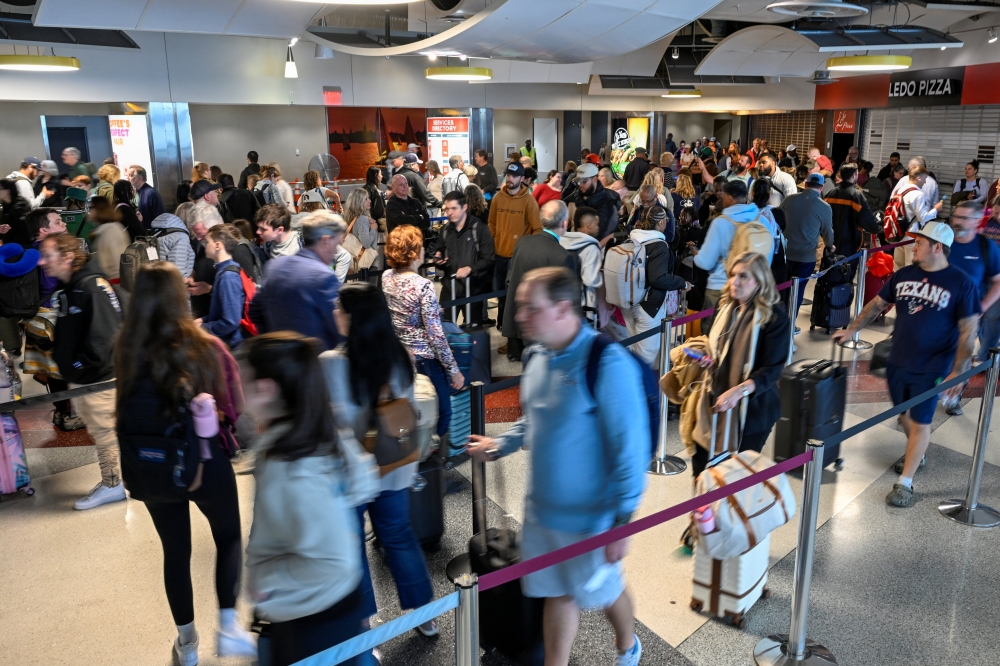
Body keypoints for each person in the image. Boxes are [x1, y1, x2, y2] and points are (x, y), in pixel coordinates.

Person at [467, 266, 647, 666]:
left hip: (591, 520)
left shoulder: (606, 362)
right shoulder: (539, 357)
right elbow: (534, 419)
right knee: (558, 592)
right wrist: (500, 444)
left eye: (531, 307)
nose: (519, 316)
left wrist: (623, 521)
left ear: (563, 308)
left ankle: (627, 644)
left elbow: (630, 451)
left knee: (603, 591)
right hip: (543, 513)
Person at [114, 262, 254, 666]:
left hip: (151, 463)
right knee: (227, 537)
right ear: (181, 296)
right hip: (203, 459)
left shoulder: (126, 346)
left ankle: (187, 645)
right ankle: (228, 627)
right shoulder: (205, 345)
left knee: (175, 551)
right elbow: (234, 405)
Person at [241, 332, 368, 666]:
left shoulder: (290, 466)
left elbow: (332, 561)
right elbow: (364, 480)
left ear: (265, 387)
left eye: (244, 376)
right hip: (330, 606)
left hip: (312, 619)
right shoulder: (316, 427)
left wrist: (264, 580)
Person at [320, 283, 438, 638]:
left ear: (353, 316)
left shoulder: (331, 363)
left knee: (352, 545)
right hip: (395, 464)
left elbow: (335, 422)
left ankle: (363, 625)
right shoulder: (400, 356)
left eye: (338, 307)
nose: (333, 312)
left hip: (352, 472)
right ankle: (426, 616)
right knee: (399, 536)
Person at [834, 222, 979, 507]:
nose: (913, 247)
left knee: (921, 419)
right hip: (898, 360)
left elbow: (968, 331)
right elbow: (877, 304)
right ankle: (918, 451)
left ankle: (905, 483)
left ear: (937, 248)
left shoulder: (961, 283)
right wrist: (852, 329)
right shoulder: (903, 274)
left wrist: (958, 372)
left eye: (919, 243)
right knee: (904, 414)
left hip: (933, 366)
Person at [676, 251, 789, 477]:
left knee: (735, 477)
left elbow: (771, 369)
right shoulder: (726, 304)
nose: (734, 282)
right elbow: (717, 344)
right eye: (732, 275)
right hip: (712, 399)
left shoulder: (774, 317)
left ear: (759, 281)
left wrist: (739, 390)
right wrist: (707, 357)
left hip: (752, 411)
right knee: (702, 472)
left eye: (743, 277)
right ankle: (703, 510)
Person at [37, 232, 124, 510]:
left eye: (48, 256)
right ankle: (113, 480)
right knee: (100, 429)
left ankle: (113, 484)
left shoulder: (90, 286)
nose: (42, 262)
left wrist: (77, 365)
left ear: (68, 257)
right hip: (88, 378)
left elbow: (105, 337)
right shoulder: (73, 287)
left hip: (99, 378)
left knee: (104, 430)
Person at [382, 225, 463, 440]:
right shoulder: (423, 286)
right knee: (441, 412)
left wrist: (433, 309)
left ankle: (408, 451)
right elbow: (435, 335)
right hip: (425, 359)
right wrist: (453, 369)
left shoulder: (387, 277)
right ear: (414, 251)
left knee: (407, 410)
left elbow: (401, 310)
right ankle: (430, 457)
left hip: (399, 356)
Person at [249, 211, 345, 350]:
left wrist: (273, 343)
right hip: (314, 363)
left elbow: (255, 311)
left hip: (277, 361)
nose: (336, 251)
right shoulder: (324, 277)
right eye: (336, 244)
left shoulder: (274, 266)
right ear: (325, 241)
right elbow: (338, 328)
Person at [502, 201, 572, 362]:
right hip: (542, 330)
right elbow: (565, 302)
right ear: (564, 223)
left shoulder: (523, 242)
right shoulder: (563, 256)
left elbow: (509, 279)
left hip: (517, 319)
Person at [691, 179, 762, 332]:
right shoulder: (760, 219)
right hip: (753, 287)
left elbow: (706, 262)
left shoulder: (720, 223)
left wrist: (697, 255)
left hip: (721, 287)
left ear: (729, 197)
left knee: (714, 334)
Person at [489, 162, 542, 334]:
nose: (510, 179)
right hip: (498, 256)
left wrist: (529, 253)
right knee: (500, 295)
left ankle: (511, 333)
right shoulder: (498, 198)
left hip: (517, 258)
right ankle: (503, 324)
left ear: (521, 178)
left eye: (514, 176)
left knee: (514, 298)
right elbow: (491, 223)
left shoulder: (529, 201)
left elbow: (537, 229)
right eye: (508, 175)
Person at [948, 201, 1000, 375]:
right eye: (955, 216)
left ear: (976, 221)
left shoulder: (986, 246)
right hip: (935, 311)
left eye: (964, 218)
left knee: (958, 363)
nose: (957, 221)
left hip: (966, 313)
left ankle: (952, 397)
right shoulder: (942, 240)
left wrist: (982, 307)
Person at [434, 190, 495, 326]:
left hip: (473, 290)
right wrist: (438, 261)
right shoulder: (445, 231)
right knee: (445, 329)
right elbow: (440, 251)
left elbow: (489, 259)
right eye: (447, 209)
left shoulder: (479, 229)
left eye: (454, 208)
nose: (449, 213)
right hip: (450, 289)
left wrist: (470, 268)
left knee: (473, 332)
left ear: (464, 207)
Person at [780, 173, 834, 318]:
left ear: (805, 184)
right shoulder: (824, 207)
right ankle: (790, 324)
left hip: (785, 253)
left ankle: (778, 322)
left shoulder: (789, 199)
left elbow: (777, 219)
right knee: (797, 291)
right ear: (822, 187)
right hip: (806, 257)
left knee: (782, 289)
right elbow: (827, 231)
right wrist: (830, 246)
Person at [196, 224, 248, 349]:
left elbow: (230, 321)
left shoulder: (228, 277)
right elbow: (220, 313)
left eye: (207, 242)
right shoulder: (224, 271)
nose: (205, 245)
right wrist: (203, 320)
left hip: (232, 346)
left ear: (218, 245)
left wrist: (202, 328)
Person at [825, 164, 879, 278]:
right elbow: (867, 219)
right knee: (846, 277)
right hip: (851, 244)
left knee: (831, 276)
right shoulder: (856, 195)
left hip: (831, 243)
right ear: (854, 175)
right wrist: (878, 228)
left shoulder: (831, 193)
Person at [561, 206, 604, 326]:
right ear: (589, 224)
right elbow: (590, 280)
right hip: (584, 305)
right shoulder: (591, 247)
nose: (598, 228)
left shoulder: (562, 240)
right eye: (597, 224)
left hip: (562, 298)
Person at [893, 166, 943, 270]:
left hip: (898, 233)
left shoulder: (899, 190)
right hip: (911, 236)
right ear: (918, 178)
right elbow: (922, 218)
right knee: (910, 267)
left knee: (897, 266)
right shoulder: (918, 194)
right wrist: (935, 210)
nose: (925, 182)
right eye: (925, 179)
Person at [561, 163, 620, 242]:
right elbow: (563, 201)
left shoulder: (608, 200)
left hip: (594, 246)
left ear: (595, 179)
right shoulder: (575, 198)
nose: (580, 185)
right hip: (574, 244)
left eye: (584, 181)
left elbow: (600, 232)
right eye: (579, 181)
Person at [87, 197, 131, 285]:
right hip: (118, 280)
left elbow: (107, 262)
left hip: (114, 282)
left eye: (91, 208)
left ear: (99, 209)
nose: (89, 211)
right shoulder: (114, 227)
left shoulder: (109, 231)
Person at [342, 188, 379, 270]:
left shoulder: (350, 218)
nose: (369, 201)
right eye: (366, 199)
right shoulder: (362, 219)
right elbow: (366, 243)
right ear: (359, 202)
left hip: (356, 262)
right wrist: (373, 229)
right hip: (368, 262)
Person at [0, 178, 32, 247]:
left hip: (21, 245)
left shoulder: (20, 205)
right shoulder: (6, 205)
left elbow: (23, 229)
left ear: (8, 190)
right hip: (10, 244)